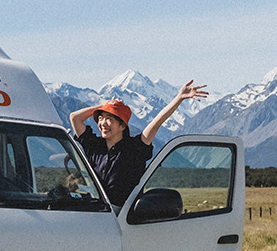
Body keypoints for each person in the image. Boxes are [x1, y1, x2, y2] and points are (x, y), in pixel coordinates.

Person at [68, 81, 209, 211]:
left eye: (109, 119)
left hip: (123, 216)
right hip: (94, 212)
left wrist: (179, 98)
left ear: (122, 125)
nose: (103, 123)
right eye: (100, 118)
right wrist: (105, 106)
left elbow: (157, 122)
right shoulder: (94, 146)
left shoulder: (134, 149)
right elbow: (75, 117)